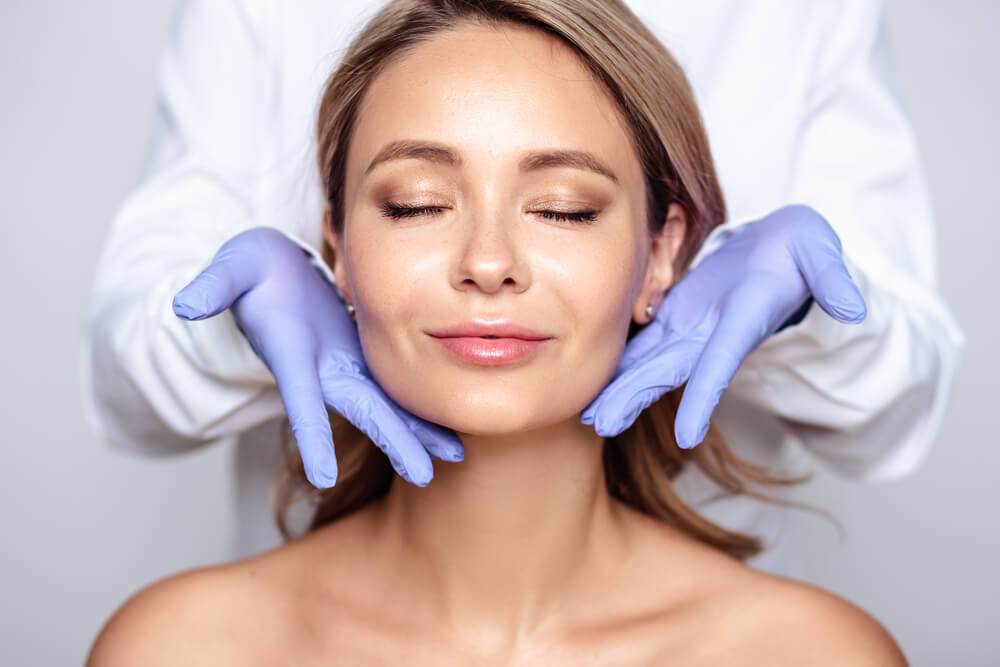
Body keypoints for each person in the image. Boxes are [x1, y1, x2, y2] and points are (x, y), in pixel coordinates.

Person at [86, 2, 909, 662]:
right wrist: (223, 330)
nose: (488, 262)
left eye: (564, 208)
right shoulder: (181, 646)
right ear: (331, 246)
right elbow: (128, 373)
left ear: (663, 254)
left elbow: (899, 413)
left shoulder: (815, 653)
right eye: (413, 203)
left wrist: (813, 311)